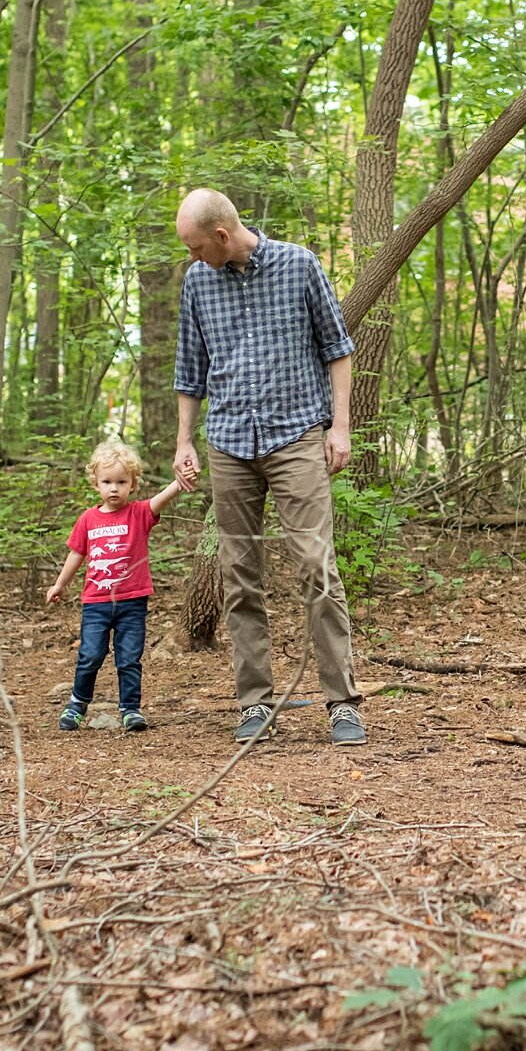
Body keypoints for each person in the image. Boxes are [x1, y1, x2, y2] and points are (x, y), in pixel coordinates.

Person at [171, 188, 367, 746]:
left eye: (195, 246)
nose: (192, 257)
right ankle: (254, 703)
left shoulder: (299, 265)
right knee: (239, 576)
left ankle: (342, 704)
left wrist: (339, 427)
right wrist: (184, 442)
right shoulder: (198, 283)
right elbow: (190, 370)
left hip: (296, 438)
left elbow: (338, 349)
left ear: (222, 235)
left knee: (316, 567)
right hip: (229, 442)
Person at [45, 439, 184, 733]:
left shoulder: (139, 514)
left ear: (133, 484)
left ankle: (130, 709)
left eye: (121, 482)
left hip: (132, 602)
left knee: (129, 658)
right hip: (96, 603)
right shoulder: (88, 519)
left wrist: (181, 480)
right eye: (107, 482)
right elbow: (76, 554)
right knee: (90, 655)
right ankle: (77, 703)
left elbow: (162, 498)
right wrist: (59, 585)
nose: (114, 488)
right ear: (95, 483)